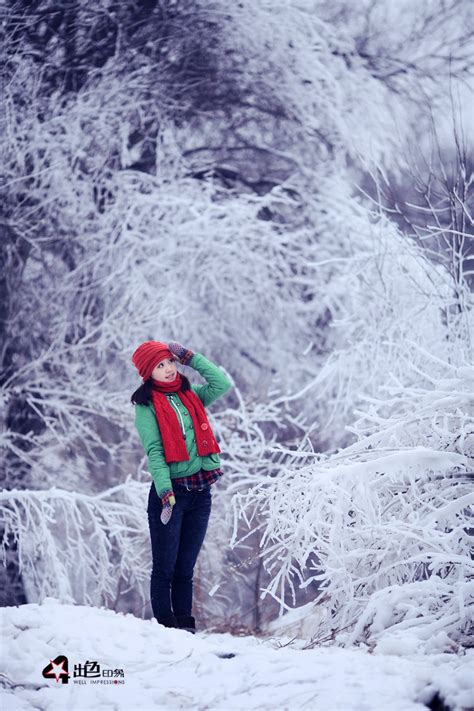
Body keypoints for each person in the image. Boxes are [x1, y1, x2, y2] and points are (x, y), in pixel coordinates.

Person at [130, 340, 233, 633]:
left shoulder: (192, 396)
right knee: (165, 568)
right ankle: (165, 630)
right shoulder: (146, 406)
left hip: (201, 492)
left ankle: (186, 629)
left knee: (185, 569)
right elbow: (155, 452)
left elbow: (221, 383)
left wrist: (191, 357)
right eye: (160, 366)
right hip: (171, 494)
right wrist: (165, 492)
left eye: (170, 362)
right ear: (148, 373)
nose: (168, 369)